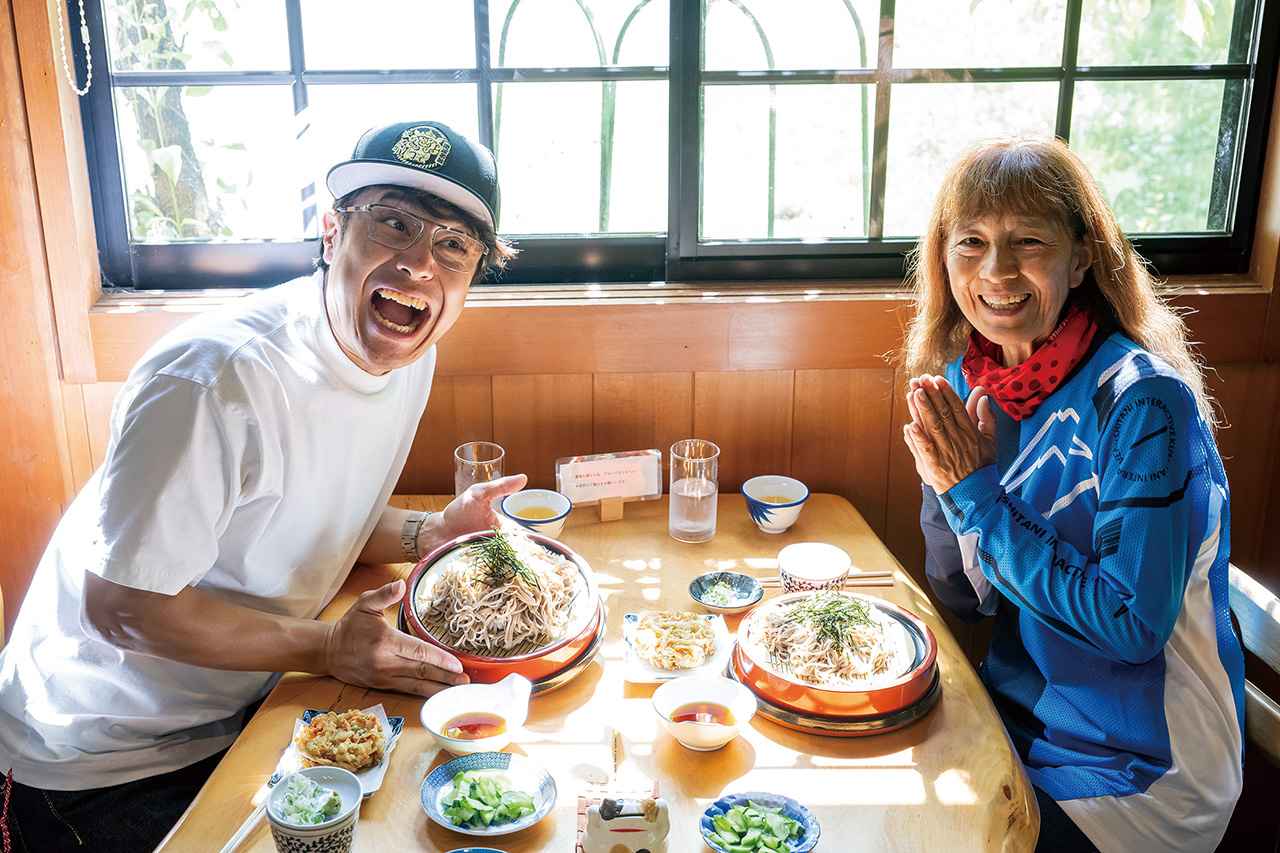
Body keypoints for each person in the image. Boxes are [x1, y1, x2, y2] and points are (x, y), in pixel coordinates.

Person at [0, 120, 521, 852]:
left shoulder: (408, 356)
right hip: (99, 760)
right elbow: (121, 606)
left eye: (453, 247)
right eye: (394, 224)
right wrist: (331, 647)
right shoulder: (215, 378)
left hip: (252, 706)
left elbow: (302, 515)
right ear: (332, 231)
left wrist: (429, 533)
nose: (418, 266)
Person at [901, 138, 1244, 853]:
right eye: (971, 243)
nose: (996, 270)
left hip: (1142, 773)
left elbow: (1130, 625)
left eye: (1027, 240)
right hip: (1021, 720)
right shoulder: (972, 381)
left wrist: (977, 496)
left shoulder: (1143, 402)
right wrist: (944, 488)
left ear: (1081, 257)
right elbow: (968, 602)